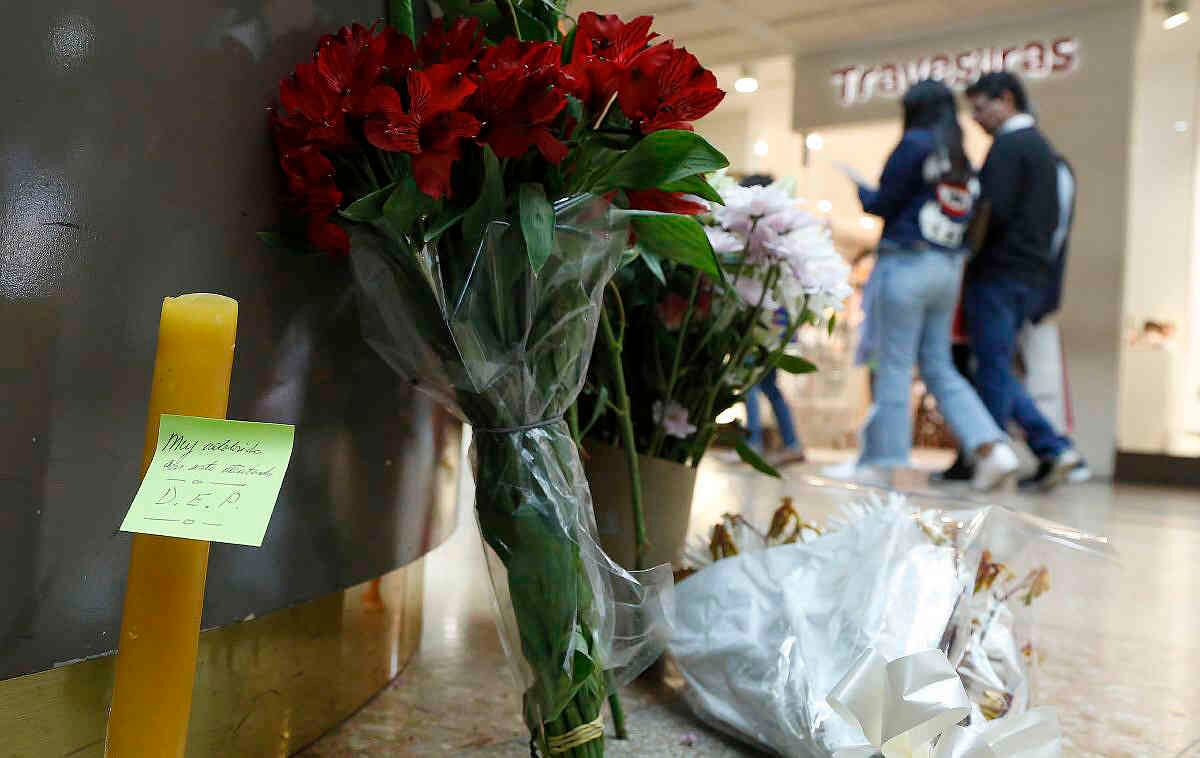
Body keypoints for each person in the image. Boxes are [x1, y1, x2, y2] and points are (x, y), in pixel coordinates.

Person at [830, 79, 1018, 491]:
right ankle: (992, 447)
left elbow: (883, 204)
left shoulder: (912, 144)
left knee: (894, 365)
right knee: (938, 365)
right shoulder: (958, 153)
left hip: (906, 263)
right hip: (947, 268)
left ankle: (886, 462)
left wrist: (862, 190)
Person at [962, 72, 1082, 490]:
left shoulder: (1010, 148)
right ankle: (1051, 447)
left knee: (992, 366)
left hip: (998, 273)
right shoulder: (1045, 152)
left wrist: (967, 249)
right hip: (1026, 276)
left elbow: (990, 212)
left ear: (1006, 99)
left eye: (981, 107)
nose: (976, 118)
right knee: (997, 366)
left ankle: (1002, 453)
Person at [740, 174, 807, 465]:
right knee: (767, 385)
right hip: (778, 321)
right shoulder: (786, 229)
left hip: (763, 320)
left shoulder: (761, 231)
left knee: (750, 383)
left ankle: (752, 444)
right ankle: (791, 443)